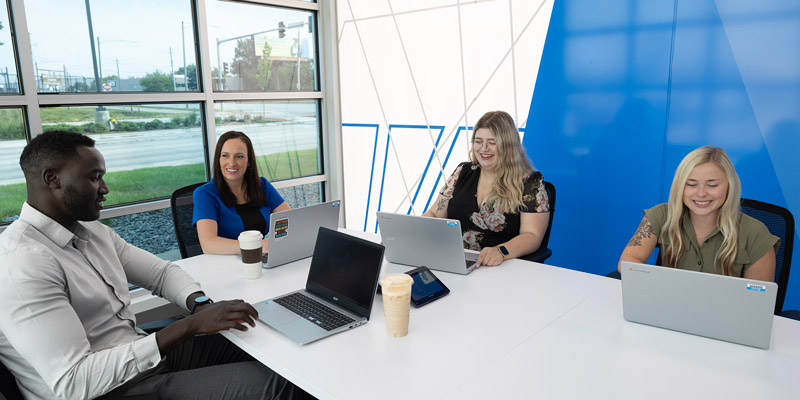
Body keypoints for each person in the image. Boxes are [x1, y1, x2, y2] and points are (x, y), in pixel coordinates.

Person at [0, 131, 308, 399]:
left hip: (139, 357)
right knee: (282, 387)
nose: (105, 189)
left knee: (264, 349)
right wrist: (190, 325)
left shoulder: (93, 232)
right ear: (52, 179)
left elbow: (161, 273)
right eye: (94, 178)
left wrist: (200, 306)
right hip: (108, 390)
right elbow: (74, 382)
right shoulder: (23, 261)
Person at [619, 146, 779, 281]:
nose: (701, 193)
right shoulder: (661, 215)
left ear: (729, 186)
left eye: (712, 185)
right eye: (691, 184)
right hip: (669, 306)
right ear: (679, 186)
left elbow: (759, 296)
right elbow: (627, 262)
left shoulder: (756, 233)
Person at [423, 111, 550, 267]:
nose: (483, 148)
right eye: (478, 141)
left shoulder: (530, 183)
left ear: (508, 145)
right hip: (454, 260)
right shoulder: (462, 171)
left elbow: (532, 235)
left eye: (492, 142)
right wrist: (409, 233)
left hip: (501, 264)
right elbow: (435, 213)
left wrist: (501, 251)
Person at [193, 131, 290, 255]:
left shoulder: (262, 186)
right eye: (225, 155)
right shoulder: (204, 194)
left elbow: (290, 220)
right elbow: (208, 244)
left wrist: (278, 241)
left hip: (260, 258)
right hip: (224, 263)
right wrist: (257, 246)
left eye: (239, 156)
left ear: (249, 161)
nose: (232, 162)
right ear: (218, 159)